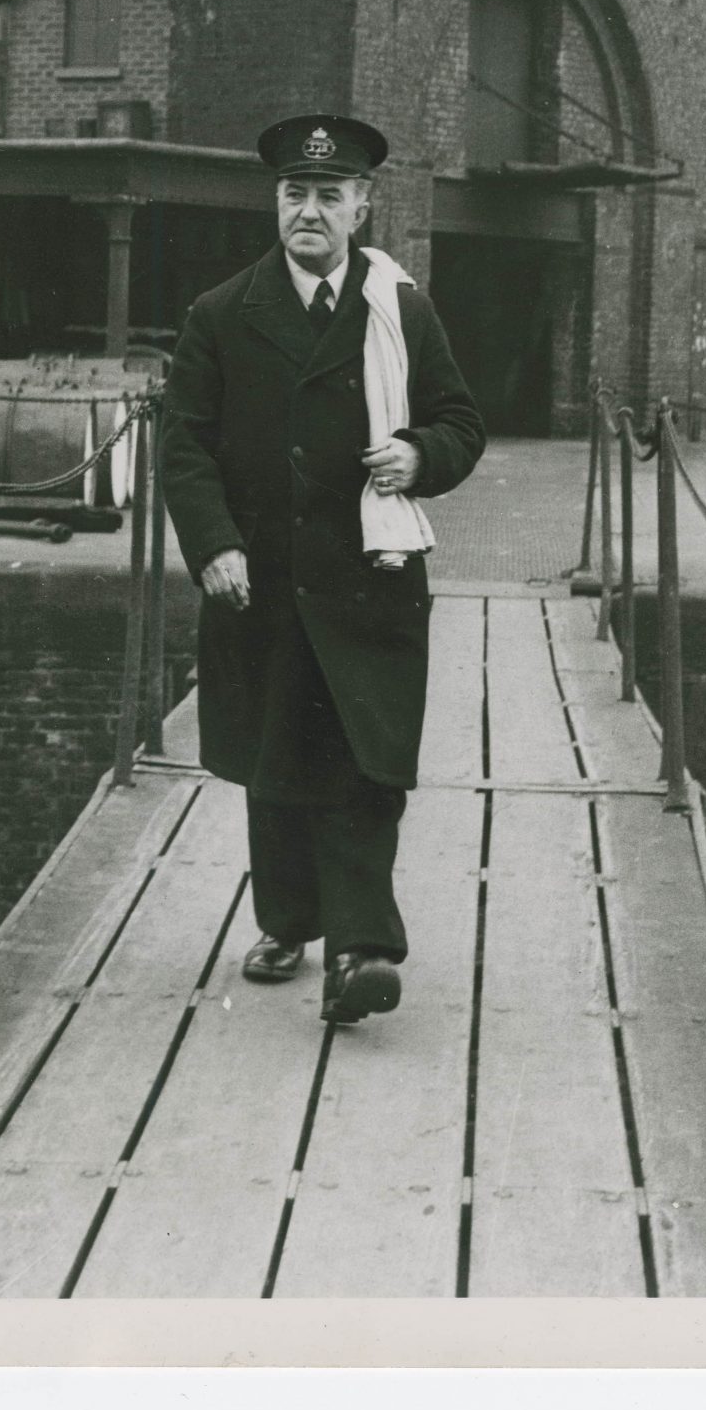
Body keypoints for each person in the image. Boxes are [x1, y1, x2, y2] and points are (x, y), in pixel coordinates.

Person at [158, 114, 485, 1025]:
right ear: (276, 203)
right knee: (276, 755)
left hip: (369, 576)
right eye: (295, 195)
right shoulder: (222, 314)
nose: (310, 211)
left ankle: (364, 950)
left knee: (363, 763)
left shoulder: (400, 311)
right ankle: (289, 920)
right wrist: (214, 542)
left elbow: (462, 422)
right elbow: (184, 445)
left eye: (329, 197)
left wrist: (422, 456)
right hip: (258, 579)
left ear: (362, 208)